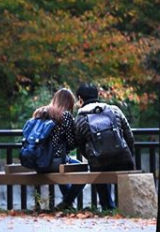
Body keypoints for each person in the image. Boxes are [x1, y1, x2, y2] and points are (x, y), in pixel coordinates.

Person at [74, 83, 135, 211]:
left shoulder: (80, 118)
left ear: (80, 99)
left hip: (99, 164)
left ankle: (108, 207)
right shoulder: (114, 110)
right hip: (123, 160)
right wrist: (129, 153)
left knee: (97, 167)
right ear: (98, 95)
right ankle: (128, 209)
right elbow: (129, 135)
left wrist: (93, 156)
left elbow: (80, 145)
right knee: (125, 165)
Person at [31, 88, 85, 210]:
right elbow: (71, 143)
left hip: (37, 161)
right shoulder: (65, 116)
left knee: (64, 165)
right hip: (54, 162)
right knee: (83, 171)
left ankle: (67, 204)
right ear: (68, 103)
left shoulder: (40, 112)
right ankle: (67, 202)